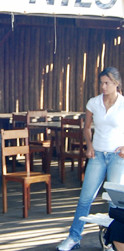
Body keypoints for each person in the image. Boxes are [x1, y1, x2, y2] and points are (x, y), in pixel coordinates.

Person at [57, 67, 124, 251]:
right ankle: (73, 237)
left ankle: (112, 242)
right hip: (97, 156)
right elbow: (86, 128)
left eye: (106, 83)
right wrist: (89, 146)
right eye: (101, 82)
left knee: (114, 202)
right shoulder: (93, 102)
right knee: (85, 199)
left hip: (118, 157)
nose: (102, 86)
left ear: (116, 84)